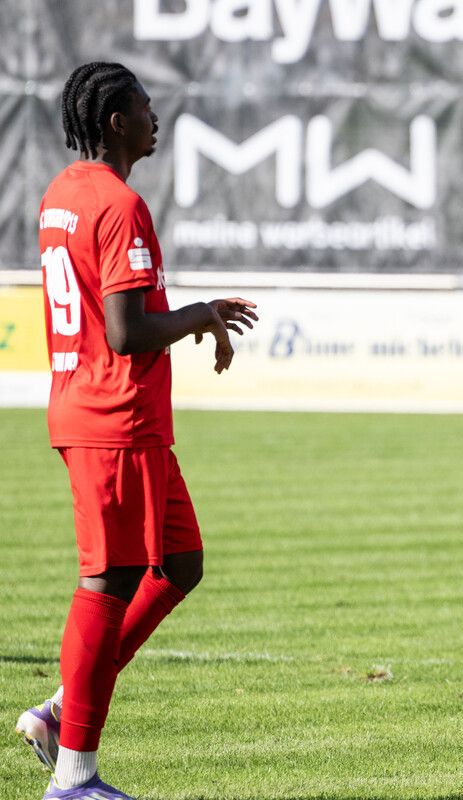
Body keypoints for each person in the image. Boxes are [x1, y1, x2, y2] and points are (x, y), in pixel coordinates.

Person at [15, 62, 256, 800]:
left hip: (106, 412)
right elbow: (125, 333)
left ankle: (62, 711)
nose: (156, 119)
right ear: (116, 121)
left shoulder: (62, 193)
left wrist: (195, 316)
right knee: (111, 577)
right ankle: (74, 777)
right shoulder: (120, 204)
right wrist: (201, 315)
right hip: (112, 415)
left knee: (179, 562)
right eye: (146, 108)